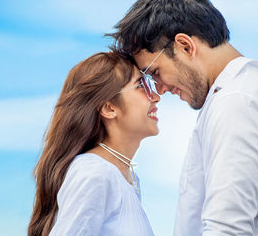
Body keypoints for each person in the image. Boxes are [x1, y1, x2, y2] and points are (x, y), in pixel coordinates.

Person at [108, 0, 258, 236]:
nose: (159, 89)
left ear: (185, 46)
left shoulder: (238, 102)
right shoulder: (249, 94)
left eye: (155, 72)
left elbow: (227, 229)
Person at [28, 52, 159, 236]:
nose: (155, 96)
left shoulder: (126, 178)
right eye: (140, 85)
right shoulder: (96, 173)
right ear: (108, 108)